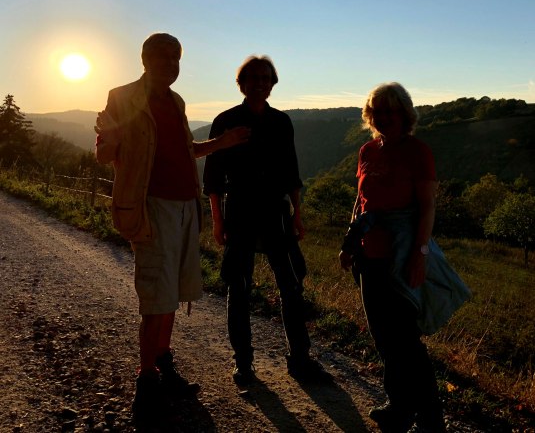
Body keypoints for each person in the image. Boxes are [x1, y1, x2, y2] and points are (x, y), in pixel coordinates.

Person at [94, 33, 249, 420]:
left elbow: (186, 150)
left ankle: (163, 362)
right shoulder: (121, 96)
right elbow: (104, 156)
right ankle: (146, 380)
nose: (170, 63)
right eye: (162, 56)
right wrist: (108, 137)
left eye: (176, 57)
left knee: (175, 291)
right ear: (144, 59)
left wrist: (221, 142)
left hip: (185, 208)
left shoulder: (176, 101)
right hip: (152, 208)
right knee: (156, 295)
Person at [203, 55, 331, 385]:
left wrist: (298, 214)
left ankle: (300, 358)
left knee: (291, 284)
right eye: (253, 77)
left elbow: (291, 171)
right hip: (241, 211)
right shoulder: (226, 121)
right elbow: (214, 176)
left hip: (276, 212)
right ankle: (243, 362)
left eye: (266, 78)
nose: (260, 83)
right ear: (241, 83)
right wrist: (217, 220)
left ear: (273, 83)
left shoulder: (281, 122)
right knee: (239, 284)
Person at [339, 82, 446, 433]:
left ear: (404, 113)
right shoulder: (367, 150)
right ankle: (398, 406)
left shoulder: (419, 151)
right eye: (378, 111)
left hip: (401, 256)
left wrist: (421, 254)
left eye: (391, 110)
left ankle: (431, 418)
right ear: (370, 116)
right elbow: (361, 203)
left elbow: (428, 207)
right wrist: (350, 242)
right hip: (369, 256)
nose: (384, 117)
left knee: (405, 340)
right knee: (382, 335)